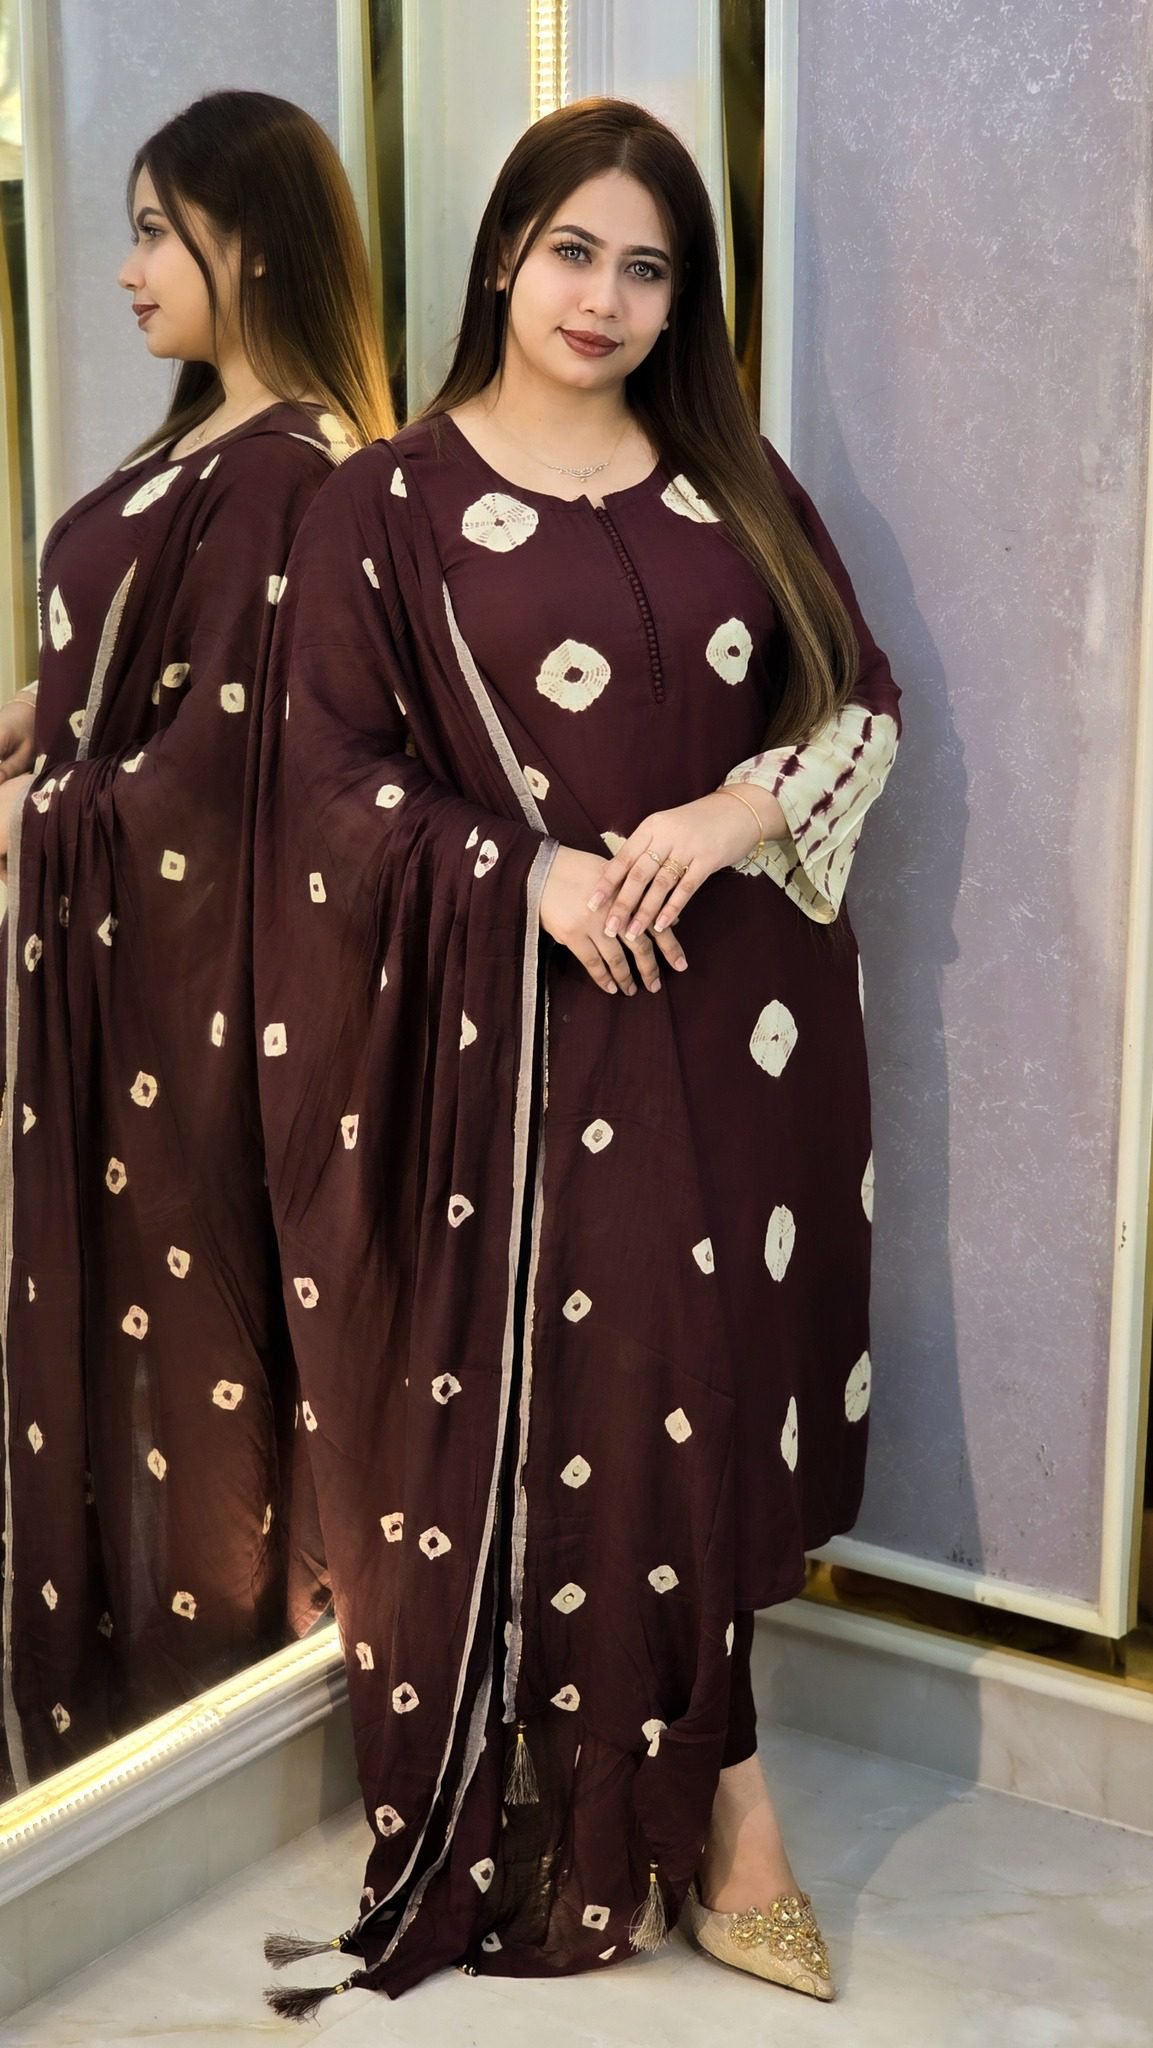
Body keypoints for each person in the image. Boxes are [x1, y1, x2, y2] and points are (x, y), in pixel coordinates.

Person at [255, 96, 898, 2019]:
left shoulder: (733, 480)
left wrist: (733, 809)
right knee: (616, 1390)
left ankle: (699, 1781)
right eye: (570, 251)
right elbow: (328, 779)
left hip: (741, 1023)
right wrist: (524, 875)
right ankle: (724, 1810)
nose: (602, 298)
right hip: (529, 1042)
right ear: (501, 254)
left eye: (647, 268)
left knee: (717, 1385)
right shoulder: (385, 505)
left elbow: (857, 701)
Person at [0, 89, 394, 1792]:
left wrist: (32, 819)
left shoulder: (288, 465)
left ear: (258, 243)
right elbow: (139, 683)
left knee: (188, 1330)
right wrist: (41, 722)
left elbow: (227, 783)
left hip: (192, 996)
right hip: (123, 978)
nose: (125, 267)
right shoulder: (203, 444)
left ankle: (189, 1721)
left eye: (159, 230)